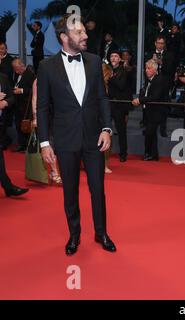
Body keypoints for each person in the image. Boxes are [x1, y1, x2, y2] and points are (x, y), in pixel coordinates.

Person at [37, 14, 117, 255]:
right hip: (64, 139)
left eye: (84, 31)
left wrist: (106, 128)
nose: (85, 36)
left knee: (97, 188)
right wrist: (44, 142)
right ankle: (74, 235)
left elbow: (102, 98)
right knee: (70, 191)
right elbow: (42, 107)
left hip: (94, 138)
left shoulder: (94, 62)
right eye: (79, 32)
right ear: (64, 37)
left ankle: (101, 232)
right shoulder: (46, 67)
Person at [132, 59, 168, 161]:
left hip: (156, 112)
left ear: (155, 70)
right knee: (150, 133)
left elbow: (155, 97)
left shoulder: (159, 80)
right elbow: (147, 94)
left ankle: (149, 154)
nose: (146, 70)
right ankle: (152, 154)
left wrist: (139, 100)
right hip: (149, 111)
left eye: (148, 68)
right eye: (146, 68)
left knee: (149, 133)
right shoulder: (149, 80)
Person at [0, 71, 28, 197]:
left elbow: (11, 97)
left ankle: (8, 187)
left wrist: (5, 102)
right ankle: (8, 187)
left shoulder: (4, 77)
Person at [30, 79, 62, 184]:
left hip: (58, 115)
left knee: (58, 144)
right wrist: (35, 117)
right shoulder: (38, 80)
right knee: (50, 144)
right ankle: (54, 172)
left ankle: (57, 171)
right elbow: (35, 98)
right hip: (45, 116)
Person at [108, 50, 131, 163]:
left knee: (121, 130)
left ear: (120, 59)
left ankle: (123, 154)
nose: (113, 58)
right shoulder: (106, 69)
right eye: (111, 56)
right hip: (108, 104)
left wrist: (110, 78)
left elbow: (122, 86)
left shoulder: (123, 70)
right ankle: (104, 151)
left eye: (116, 56)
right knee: (105, 129)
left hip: (119, 105)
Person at [11, 58, 36, 153]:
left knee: (27, 126)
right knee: (18, 126)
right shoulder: (16, 74)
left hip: (27, 106)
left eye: (17, 68)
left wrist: (21, 91)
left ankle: (28, 146)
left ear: (22, 65)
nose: (16, 71)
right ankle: (22, 145)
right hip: (18, 105)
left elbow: (33, 90)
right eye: (14, 69)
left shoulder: (30, 74)